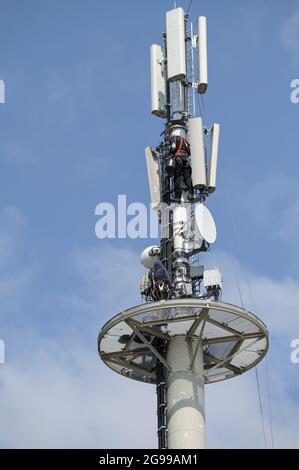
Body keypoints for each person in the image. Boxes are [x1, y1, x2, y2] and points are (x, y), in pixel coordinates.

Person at [169, 134, 193, 202]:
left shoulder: (173, 138)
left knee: (177, 177)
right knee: (187, 177)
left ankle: (178, 196)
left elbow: (173, 147)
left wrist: (170, 153)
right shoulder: (186, 142)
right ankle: (190, 193)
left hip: (179, 158)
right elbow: (189, 152)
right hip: (186, 160)